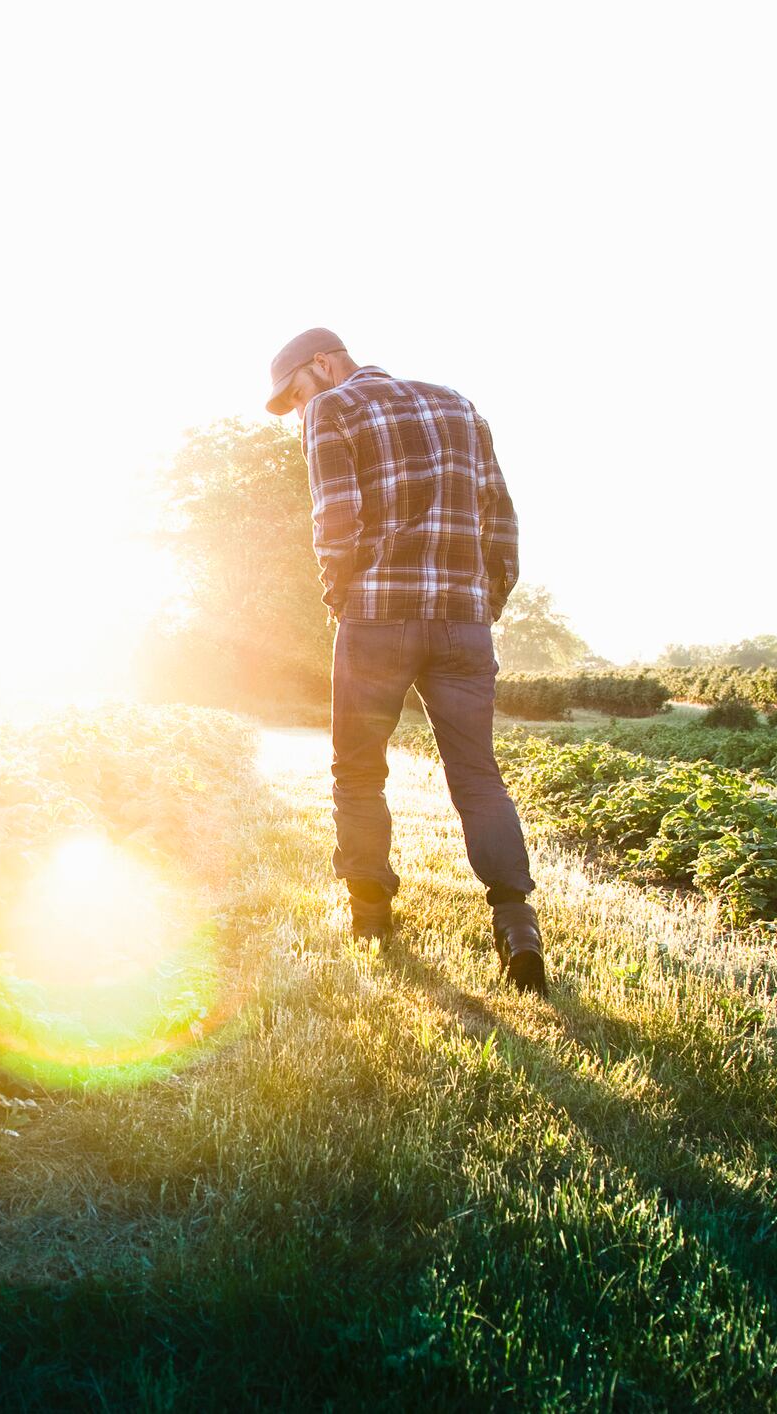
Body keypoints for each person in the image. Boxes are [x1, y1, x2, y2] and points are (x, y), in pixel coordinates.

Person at [265, 327, 546, 997]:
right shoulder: (457, 404)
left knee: (358, 771)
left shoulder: (335, 408)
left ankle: (370, 918)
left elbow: (336, 519)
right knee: (477, 776)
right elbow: (501, 516)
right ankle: (517, 926)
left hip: (376, 617)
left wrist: (341, 599)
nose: (300, 412)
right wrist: (485, 602)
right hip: (461, 623)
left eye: (296, 395)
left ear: (323, 364)